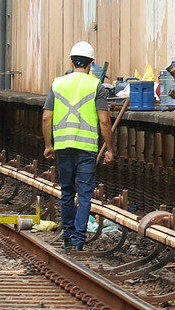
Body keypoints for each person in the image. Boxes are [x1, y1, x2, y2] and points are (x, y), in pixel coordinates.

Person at [42, 41, 118, 251]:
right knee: (84, 195)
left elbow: (47, 117)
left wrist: (48, 145)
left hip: (63, 147)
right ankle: (78, 241)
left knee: (67, 192)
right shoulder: (96, 86)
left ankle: (67, 236)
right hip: (86, 149)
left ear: (71, 61)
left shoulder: (57, 83)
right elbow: (104, 121)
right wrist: (110, 149)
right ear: (91, 63)